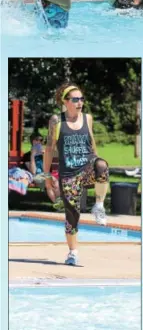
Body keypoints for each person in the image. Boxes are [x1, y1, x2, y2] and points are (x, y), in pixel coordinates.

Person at [43, 82, 109, 265]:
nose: (80, 102)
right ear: (65, 101)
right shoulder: (57, 121)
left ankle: (99, 206)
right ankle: (73, 252)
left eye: (82, 99)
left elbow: (92, 141)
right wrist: (47, 175)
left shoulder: (88, 118)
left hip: (87, 167)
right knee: (72, 215)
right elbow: (49, 148)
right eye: (75, 99)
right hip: (69, 174)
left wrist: (95, 160)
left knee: (103, 166)